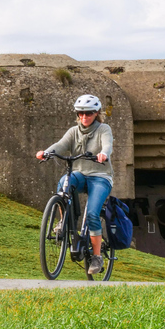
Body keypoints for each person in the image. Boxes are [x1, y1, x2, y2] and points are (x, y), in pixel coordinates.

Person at [36, 94, 114, 275]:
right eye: (81, 113)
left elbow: (107, 145)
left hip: (100, 176)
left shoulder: (104, 129)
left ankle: (96, 257)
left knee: (93, 213)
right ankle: (64, 220)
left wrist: (103, 153)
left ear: (96, 113)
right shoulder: (73, 131)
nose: (84, 117)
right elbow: (61, 145)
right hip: (80, 174)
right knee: (64, 182)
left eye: (88, 113)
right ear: (77, 114)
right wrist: (46, 153)